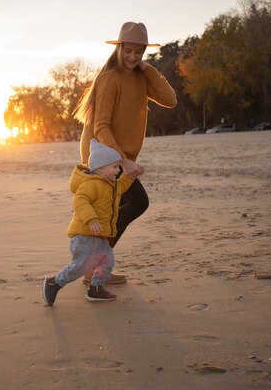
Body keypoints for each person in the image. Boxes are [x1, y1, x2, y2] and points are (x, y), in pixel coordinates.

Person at [75, 22, 177, 285]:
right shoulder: (110, 79)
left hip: (119, 157)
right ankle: (93, 266)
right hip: (103, 155)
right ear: (119, 48)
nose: (133, 57)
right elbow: (101, 127)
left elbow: (170, 99)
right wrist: (123, 160)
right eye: (128, 51)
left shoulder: (141, 76)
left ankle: (94, 265)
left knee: (116, 209)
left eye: (139, 52)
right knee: (138, 202)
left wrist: (148, 68)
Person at [43, 139, 137, 305]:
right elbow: (80, 201)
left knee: (107, 262)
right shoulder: (91, 184)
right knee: (81, 267)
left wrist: (131, 175)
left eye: (118, 167)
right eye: (115, 167)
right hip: (85, 236)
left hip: (100, 236)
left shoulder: (111, 185)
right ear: (100, 168)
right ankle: (54, 283)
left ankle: (96, 289)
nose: (118, 170)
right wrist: (91, 219)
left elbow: (122, 186)